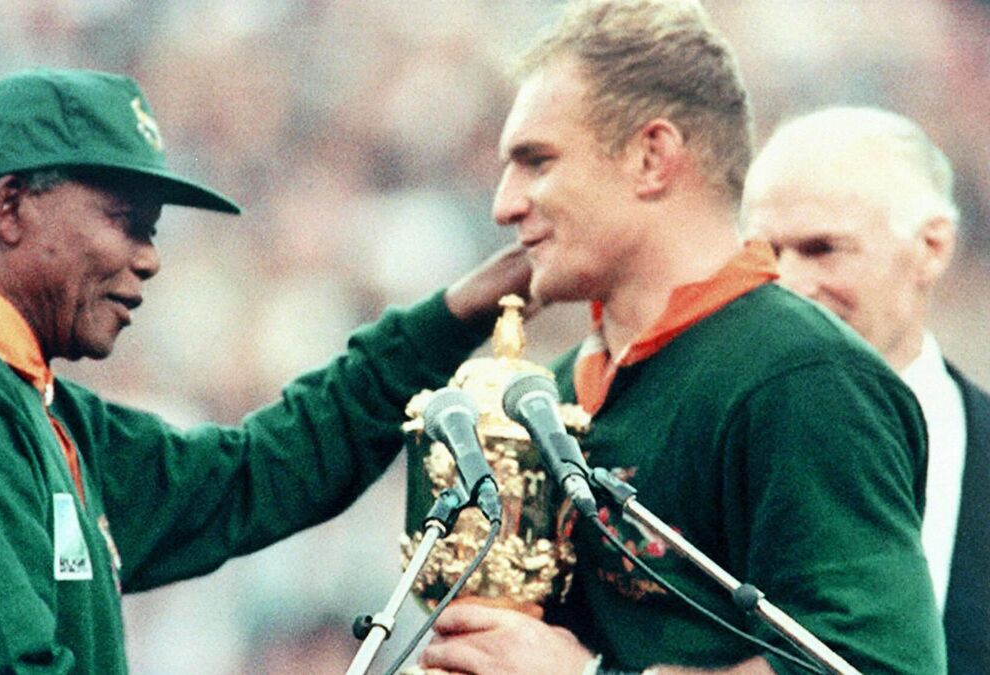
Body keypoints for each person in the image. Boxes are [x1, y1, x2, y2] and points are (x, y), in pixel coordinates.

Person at [0, 68, 532, 673]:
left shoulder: (25, 399)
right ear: (10, 207)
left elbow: (252, 475)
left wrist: (455, 314)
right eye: (127, 222)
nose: (148, 258)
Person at [416, 2, 944, 673]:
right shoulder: (549, 393)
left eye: (537, 161)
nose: (504, 205)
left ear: (652, 157)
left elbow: (877, 665)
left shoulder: (803, 378)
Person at [742, 105, 990, 675]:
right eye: (765, 254)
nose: (787, 284)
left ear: (931, 248)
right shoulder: (707, 445)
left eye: (822, 249)